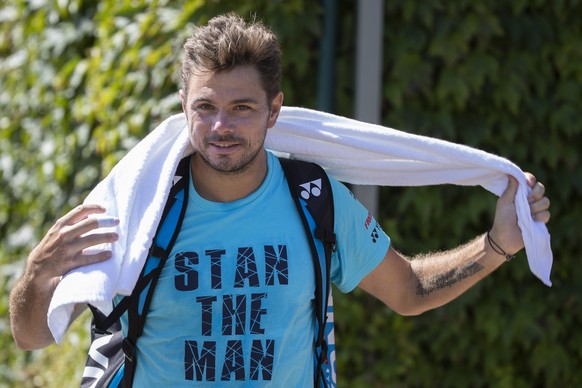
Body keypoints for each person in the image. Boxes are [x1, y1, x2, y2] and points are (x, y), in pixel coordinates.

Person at [9, 13, 550, 386]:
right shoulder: (138, 207)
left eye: (242, 107)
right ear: (183, 107)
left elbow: (408, 290)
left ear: (274, 110)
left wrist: (499, 244)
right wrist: (38, 273)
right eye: (205, 107)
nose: (221, 126)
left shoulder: (313, 197)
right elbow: (32, 335)